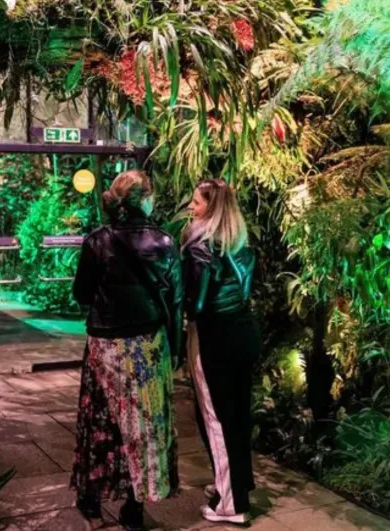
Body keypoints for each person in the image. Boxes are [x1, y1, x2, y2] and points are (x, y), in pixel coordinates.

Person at [70, 170, 184, 531]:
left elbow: (81, 294)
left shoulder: (97, 240)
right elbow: (175, 300)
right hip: (148, 344)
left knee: (101, 419)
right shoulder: (164, 241)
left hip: (105, 344)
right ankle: (135, 506)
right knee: (145, 424)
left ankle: (90, 496)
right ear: (145, 199)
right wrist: (176, 350)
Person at [182, 179, 258, 525]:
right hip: (243, 332)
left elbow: (196, 305)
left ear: (210, 209)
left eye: (196, 202)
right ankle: (237, 484)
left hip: (213, 337)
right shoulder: (241, 244)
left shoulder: (201, 249)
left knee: (215, 419)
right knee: (238, 414)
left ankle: (231, 503)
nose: (190, 207)